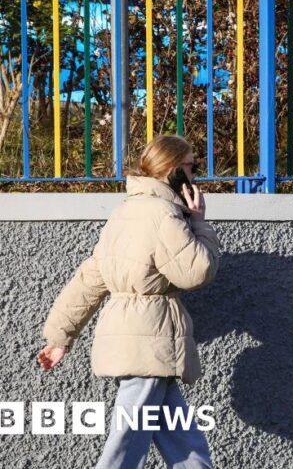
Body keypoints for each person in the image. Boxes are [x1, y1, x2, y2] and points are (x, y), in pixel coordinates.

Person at [36, 134, 221, 468]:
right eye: (193, 167)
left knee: (184, 442)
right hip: (148, 341)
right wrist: (199, 222)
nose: (196, 176)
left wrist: (60, 337)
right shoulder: (164, 215)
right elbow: (197, 271)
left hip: (143, 341)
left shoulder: (122, 214)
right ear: (173, 170)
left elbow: (90, 279)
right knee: (126, 441)